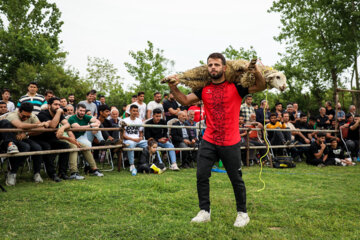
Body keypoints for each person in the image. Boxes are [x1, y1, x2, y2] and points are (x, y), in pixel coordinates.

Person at [166, 52, 266, 227]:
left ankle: (242, 214)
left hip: (231, 140)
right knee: (201, 175)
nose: (213, 67)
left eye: (217, 65)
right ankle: (205, 211)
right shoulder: (204, 89)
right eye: (210, 65)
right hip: (209, 139)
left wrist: (255, 69)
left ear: (224, 68)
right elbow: (184, 100)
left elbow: (260, 85)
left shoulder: (236, 87)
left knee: (236, 179)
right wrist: (173, 86)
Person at [4, 102, 62, 185]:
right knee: (25, 147)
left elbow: (41, 129)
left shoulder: (32, 116)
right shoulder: (12, 115)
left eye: (28, 116)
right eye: (24, 116)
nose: (26, 118)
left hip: (23, 138)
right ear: (19, 111)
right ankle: (12, 172)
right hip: (10, 139)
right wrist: (38, 125)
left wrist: (27, 134)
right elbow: (20, 125)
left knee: (38, 148)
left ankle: (36, 173)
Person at [33, 97, 71, 180]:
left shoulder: (59, 114)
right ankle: (52, 174)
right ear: (49, 105)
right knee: (47, 147)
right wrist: (58, 113)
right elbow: (52, 125)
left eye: (59, 105)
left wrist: (62, 128)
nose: (58, 107)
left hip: (52, 139)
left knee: (65, 146)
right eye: (55, 104)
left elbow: (68, 124)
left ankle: (62, 172)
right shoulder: (43, 114)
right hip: (40, 139)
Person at [67, 104, 105, 177]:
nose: (82, 112)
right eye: (80, 110)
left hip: (83, 136)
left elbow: (97, 121)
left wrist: (96, 124)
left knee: (95, 129)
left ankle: (93, 169)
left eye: (84, 111)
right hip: (73, 138)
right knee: (86, 145)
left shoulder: (85, 116)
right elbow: (78, 128)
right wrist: (91, 125)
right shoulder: (72, 118)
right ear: (76, 110)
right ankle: (85, 168)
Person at [123, 104, 148, 172]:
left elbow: (140, 132)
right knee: (130, 144)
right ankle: (132, 164)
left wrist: (141, 137)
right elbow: (123, 135)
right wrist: (134, 139)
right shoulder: (124, 120)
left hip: (138, 140)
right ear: (130, 111)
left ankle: (145, 163)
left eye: (136, 111)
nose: (135, 112)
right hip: (128, 140)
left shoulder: (139, 121)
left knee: (150, 144)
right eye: (133, 111)